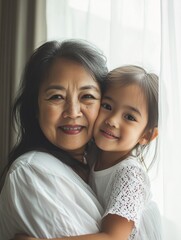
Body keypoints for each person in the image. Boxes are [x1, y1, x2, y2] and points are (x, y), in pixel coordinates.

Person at [15, 65, 162, 240]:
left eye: (129, 117)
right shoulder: (92, 154)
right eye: (107, 106)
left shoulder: (130, 175)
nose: (112, 120)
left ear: (147, 135)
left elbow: (112, 237)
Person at [0, 39, 108, 239]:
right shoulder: (31, 172)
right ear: (35, 108)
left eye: (87, 96)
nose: (73, 112)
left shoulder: (104, 170)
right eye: (56, 97)